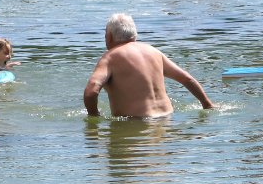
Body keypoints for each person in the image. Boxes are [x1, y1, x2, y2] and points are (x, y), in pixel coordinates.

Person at [84, 13, 215, 118]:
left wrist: (94, 117)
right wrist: (207, 104)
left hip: (137, 123)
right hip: (167, 118)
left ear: (109, 36)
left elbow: (91, 91)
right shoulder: (154, 52)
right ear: (134, 34)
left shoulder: (110, 57)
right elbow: (187, 79)